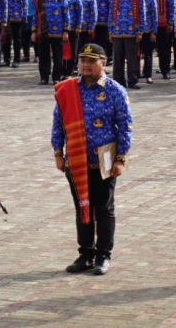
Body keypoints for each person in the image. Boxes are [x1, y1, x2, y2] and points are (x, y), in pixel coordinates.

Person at [52, 44, 133, 276]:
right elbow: (58, 122)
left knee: (104, 209)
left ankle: (103, 255)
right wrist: (58, 153)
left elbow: (125, 127)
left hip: (105, 159)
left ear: (103, 63)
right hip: (76, 159)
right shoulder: (68, 90)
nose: (85, 65)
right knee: (82, 206)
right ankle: (85, 254)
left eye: (91, 61)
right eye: (82, 60)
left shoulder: (115, 91)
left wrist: (121, 158)